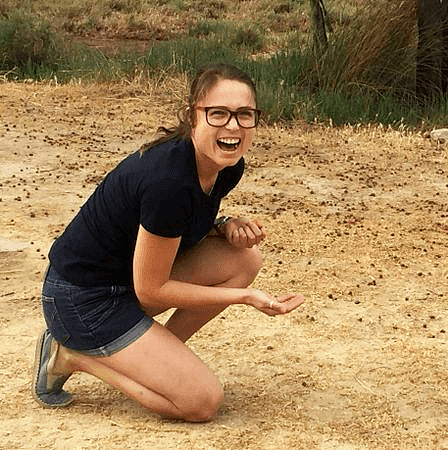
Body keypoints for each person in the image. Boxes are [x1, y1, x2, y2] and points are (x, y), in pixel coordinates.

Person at [33, 62, 305, 421]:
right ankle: (73, 355)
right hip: (82, 300)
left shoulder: (225, 166)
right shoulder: (169, 181)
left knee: (244, 258)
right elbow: (151, 290)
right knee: (200, 402)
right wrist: (244, 297)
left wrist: (223, 225)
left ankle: (153, 356)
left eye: (244, 115)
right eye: (219, 113)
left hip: (124, 282)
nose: (233, 126)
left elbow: (175, 229)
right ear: (194, 115)